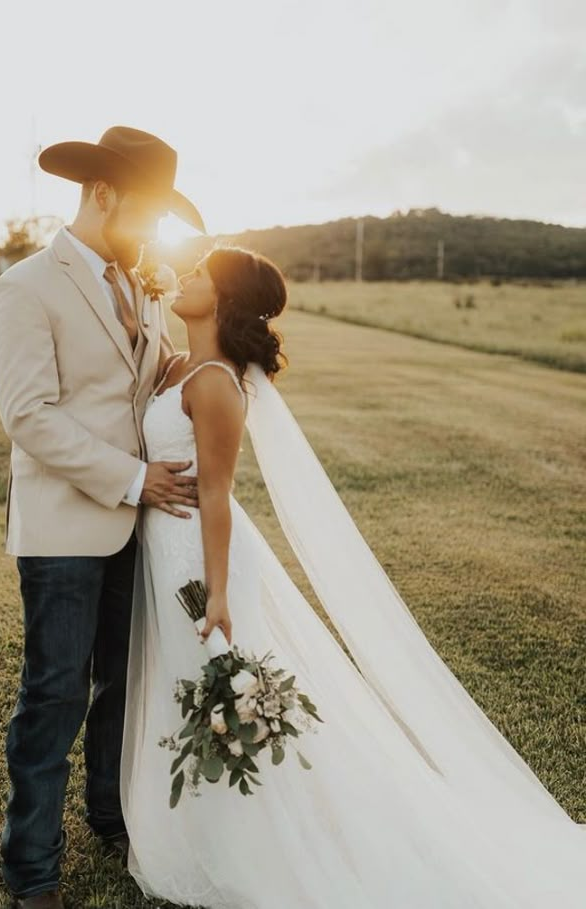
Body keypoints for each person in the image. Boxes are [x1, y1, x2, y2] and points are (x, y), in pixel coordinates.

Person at [120, 244, 586, 908]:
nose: (183, 275)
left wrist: (219, 591)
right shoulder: (175, 364)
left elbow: (218, 496)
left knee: (218, 694)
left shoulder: (218, 383)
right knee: (184, 688)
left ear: (222, 300)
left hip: (199, 559)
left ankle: (259, 842)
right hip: (164, 551)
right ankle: (201, 829)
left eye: (198, 274)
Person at [0, 125, 206, 909]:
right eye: (144, 213)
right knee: (54, 692)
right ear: (102, 193)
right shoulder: (25, 288)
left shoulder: (140, 285)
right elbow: (31, 418)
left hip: (134, 524)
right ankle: (31, 868)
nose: (151, 233)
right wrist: (136, 478)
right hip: (64, 526)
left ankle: (110, 814)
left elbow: (129, 390)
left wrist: (174, 367)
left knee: (123, 681)